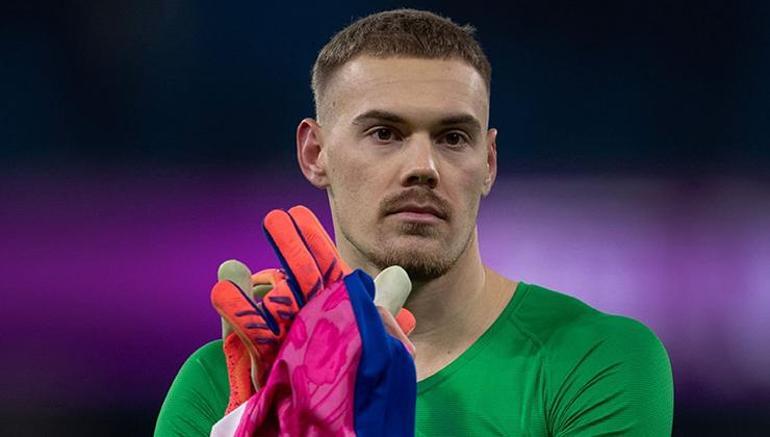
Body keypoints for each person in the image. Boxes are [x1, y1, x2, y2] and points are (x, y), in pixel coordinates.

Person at [156, 8, 673, 436]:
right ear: (315, 153)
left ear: (488, 162)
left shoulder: (594, 357)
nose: (423, 167)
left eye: (453, 138)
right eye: (384, 133)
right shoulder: (224, 387)